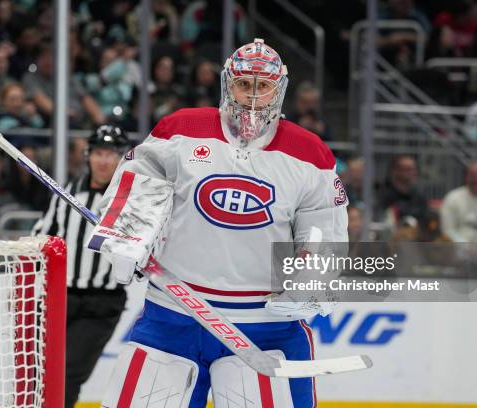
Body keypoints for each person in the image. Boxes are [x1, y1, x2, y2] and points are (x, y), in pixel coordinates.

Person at [96, 39, 348, 407]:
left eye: (263, 87)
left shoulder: (310, 153)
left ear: (279, 90)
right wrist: (127, 234)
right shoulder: (180, 129)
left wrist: (312, 278)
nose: (251, 97)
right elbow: (140, 178)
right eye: (244, 84)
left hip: (266, 326)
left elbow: (322, 224)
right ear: (227, 83)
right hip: (174, 314)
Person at [32, 125, 132, 408]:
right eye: (99, 153)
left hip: (101, 304)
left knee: (68, 373)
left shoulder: (132, 200)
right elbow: (43, 236)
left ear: (121, 158)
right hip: (59, 298)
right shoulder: (66, 194)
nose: (103, 160)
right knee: (40, 370)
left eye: (111, 154)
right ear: (88, 156)